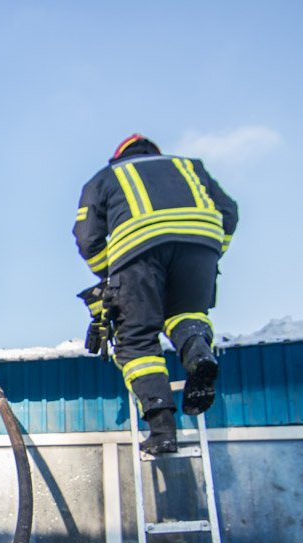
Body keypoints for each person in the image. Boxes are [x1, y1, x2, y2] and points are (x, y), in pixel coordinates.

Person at [74, 134, 239, 454]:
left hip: (138, 256)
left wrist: (110, 275)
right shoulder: (190, 167)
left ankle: (162, 430)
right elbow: (229, 212)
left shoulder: (106, 177)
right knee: (187, 315)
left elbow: (87, 237)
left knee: (136, 339)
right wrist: (212, 251)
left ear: (118, 157)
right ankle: (198, 355)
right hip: (200, 245)